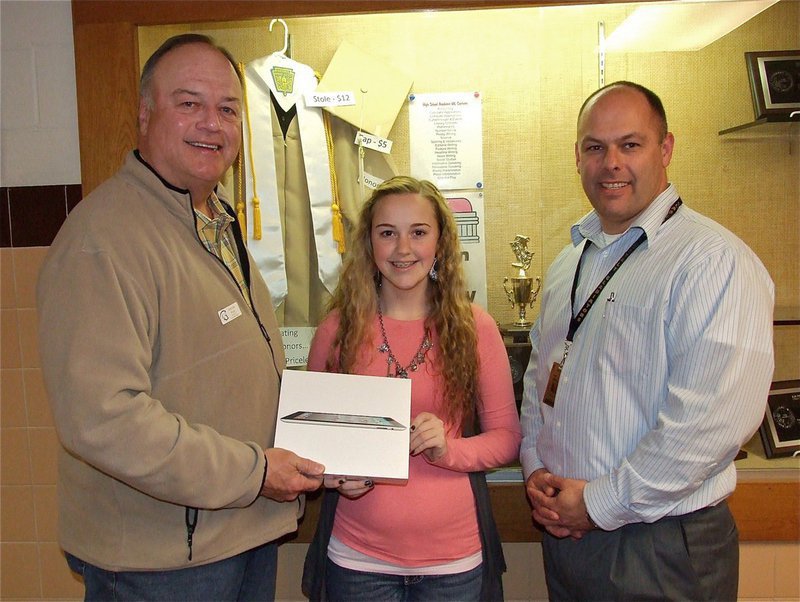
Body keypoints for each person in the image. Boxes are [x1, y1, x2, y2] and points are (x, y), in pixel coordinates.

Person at [36, 34, 325, 601]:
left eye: (227, 109)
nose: (211, 124)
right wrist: (254, 472)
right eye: (189, 103)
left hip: (234, 535)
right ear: (145, 115)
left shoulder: (214, 217)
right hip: (162, 562)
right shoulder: (105, 239)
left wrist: (328, 442)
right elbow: (105, 418)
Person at [519, 81, 775, 601]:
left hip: (661, 546)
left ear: (666, 149)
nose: (611, 162)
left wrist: (597, 503)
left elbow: (706, 426)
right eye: (595, 147)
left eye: (630, 145)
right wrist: (537, 468)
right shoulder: (569, 261)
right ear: (577, 157)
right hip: (567, 533)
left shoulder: (712, 262)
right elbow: (539, 380)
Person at [301, 176, 522, 601]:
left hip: (454, 563)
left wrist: (449, 450)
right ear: (370, 244)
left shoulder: (475, 328)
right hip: (357, 561)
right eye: (388, 233)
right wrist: (335, 477)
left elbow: (507, 439)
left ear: (439, 242)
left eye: (418, 232)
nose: (403, 249)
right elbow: (311, 446)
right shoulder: (336, 330)